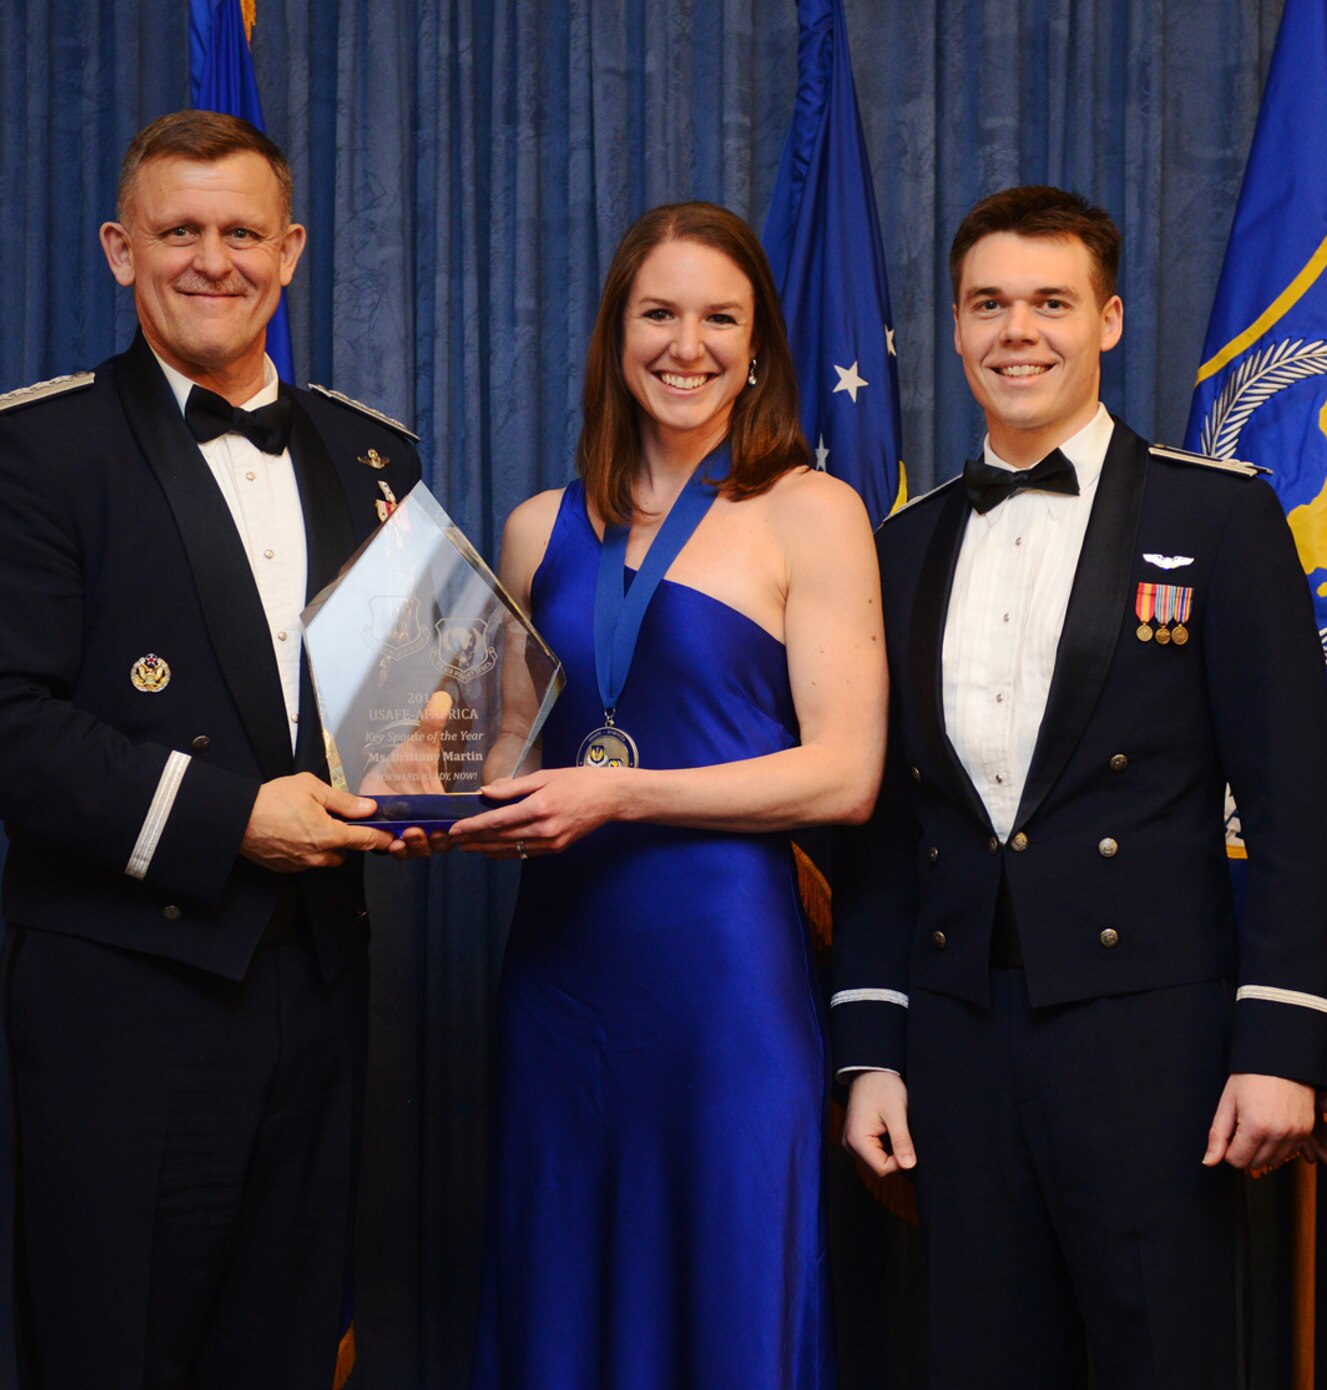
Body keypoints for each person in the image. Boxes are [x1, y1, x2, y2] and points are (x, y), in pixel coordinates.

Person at [0, 111, 422, 1387]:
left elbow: (413, 707)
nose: (214, 259)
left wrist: (467, 766)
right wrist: (230, 820)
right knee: (115, 1347)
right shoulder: (35, 445)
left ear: (292, 248)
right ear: (118, 248)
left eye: (242, 231)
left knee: (282, 1342)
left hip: (315, 983)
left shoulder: (375, 454)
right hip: (123, 993)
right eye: (179, 230)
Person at [830, 185, 1327, 1388]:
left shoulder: (1214, 517)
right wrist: (869, 1050)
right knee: (977, 1357)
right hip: (958, 1035)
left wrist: (1280, 1040)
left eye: (1051, 302)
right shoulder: (898, 544)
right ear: (954, 328)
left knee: (1161, 1354)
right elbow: (889, 833)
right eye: (989, 304)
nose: (1020, 331)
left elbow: (1291, 804)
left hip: (1152, 1035)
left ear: (1108, 320)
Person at [449, 202, 884, 1389]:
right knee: (564, 1290)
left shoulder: (810, 511)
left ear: (757, 347)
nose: (684, 345)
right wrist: (409, 661)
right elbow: (491, 769)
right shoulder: (538, 526)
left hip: (725, 982)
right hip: (562, 977)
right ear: (615, 333)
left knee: (727, 1289)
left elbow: (845, 773)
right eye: (658, 313)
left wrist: (622, 797)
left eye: (717, 318)